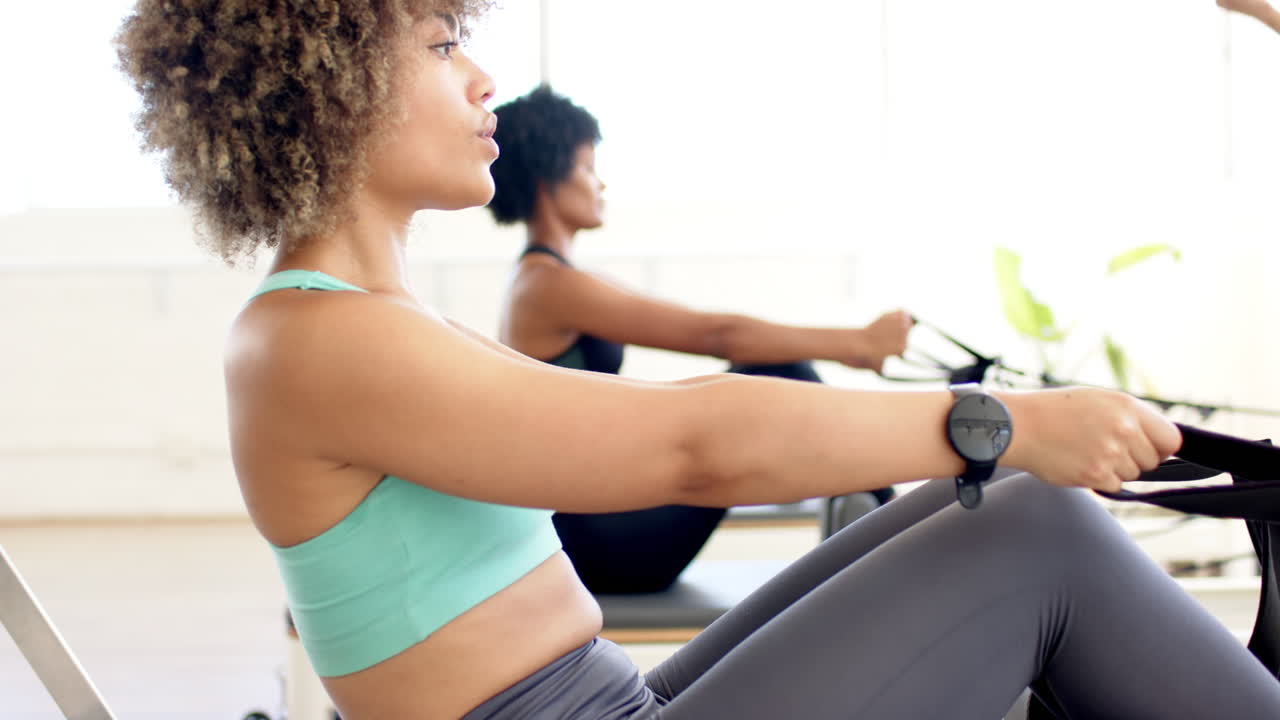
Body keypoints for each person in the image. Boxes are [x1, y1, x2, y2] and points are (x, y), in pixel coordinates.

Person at [116, 2, 1280, 718]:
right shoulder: (312, 340)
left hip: (613, 697)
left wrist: (1005, 441)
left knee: (1015, 506)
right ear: (327, 82)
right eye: (441, 43)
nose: (481, 81)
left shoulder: (367, 319)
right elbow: (692, 439)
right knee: (1041, 529)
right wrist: (999, 415)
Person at [486, 85, 909, 593]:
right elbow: (718, 335)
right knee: (776, 374)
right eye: (587, 167)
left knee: (768, 384)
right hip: (603, 544)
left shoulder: (552, 277)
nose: (601, 184)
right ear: (546, 178)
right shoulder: (548, 284)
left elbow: (702, 324)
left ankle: (889, 528)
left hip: (595, 526)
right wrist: (857, 342)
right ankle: (905, 539)